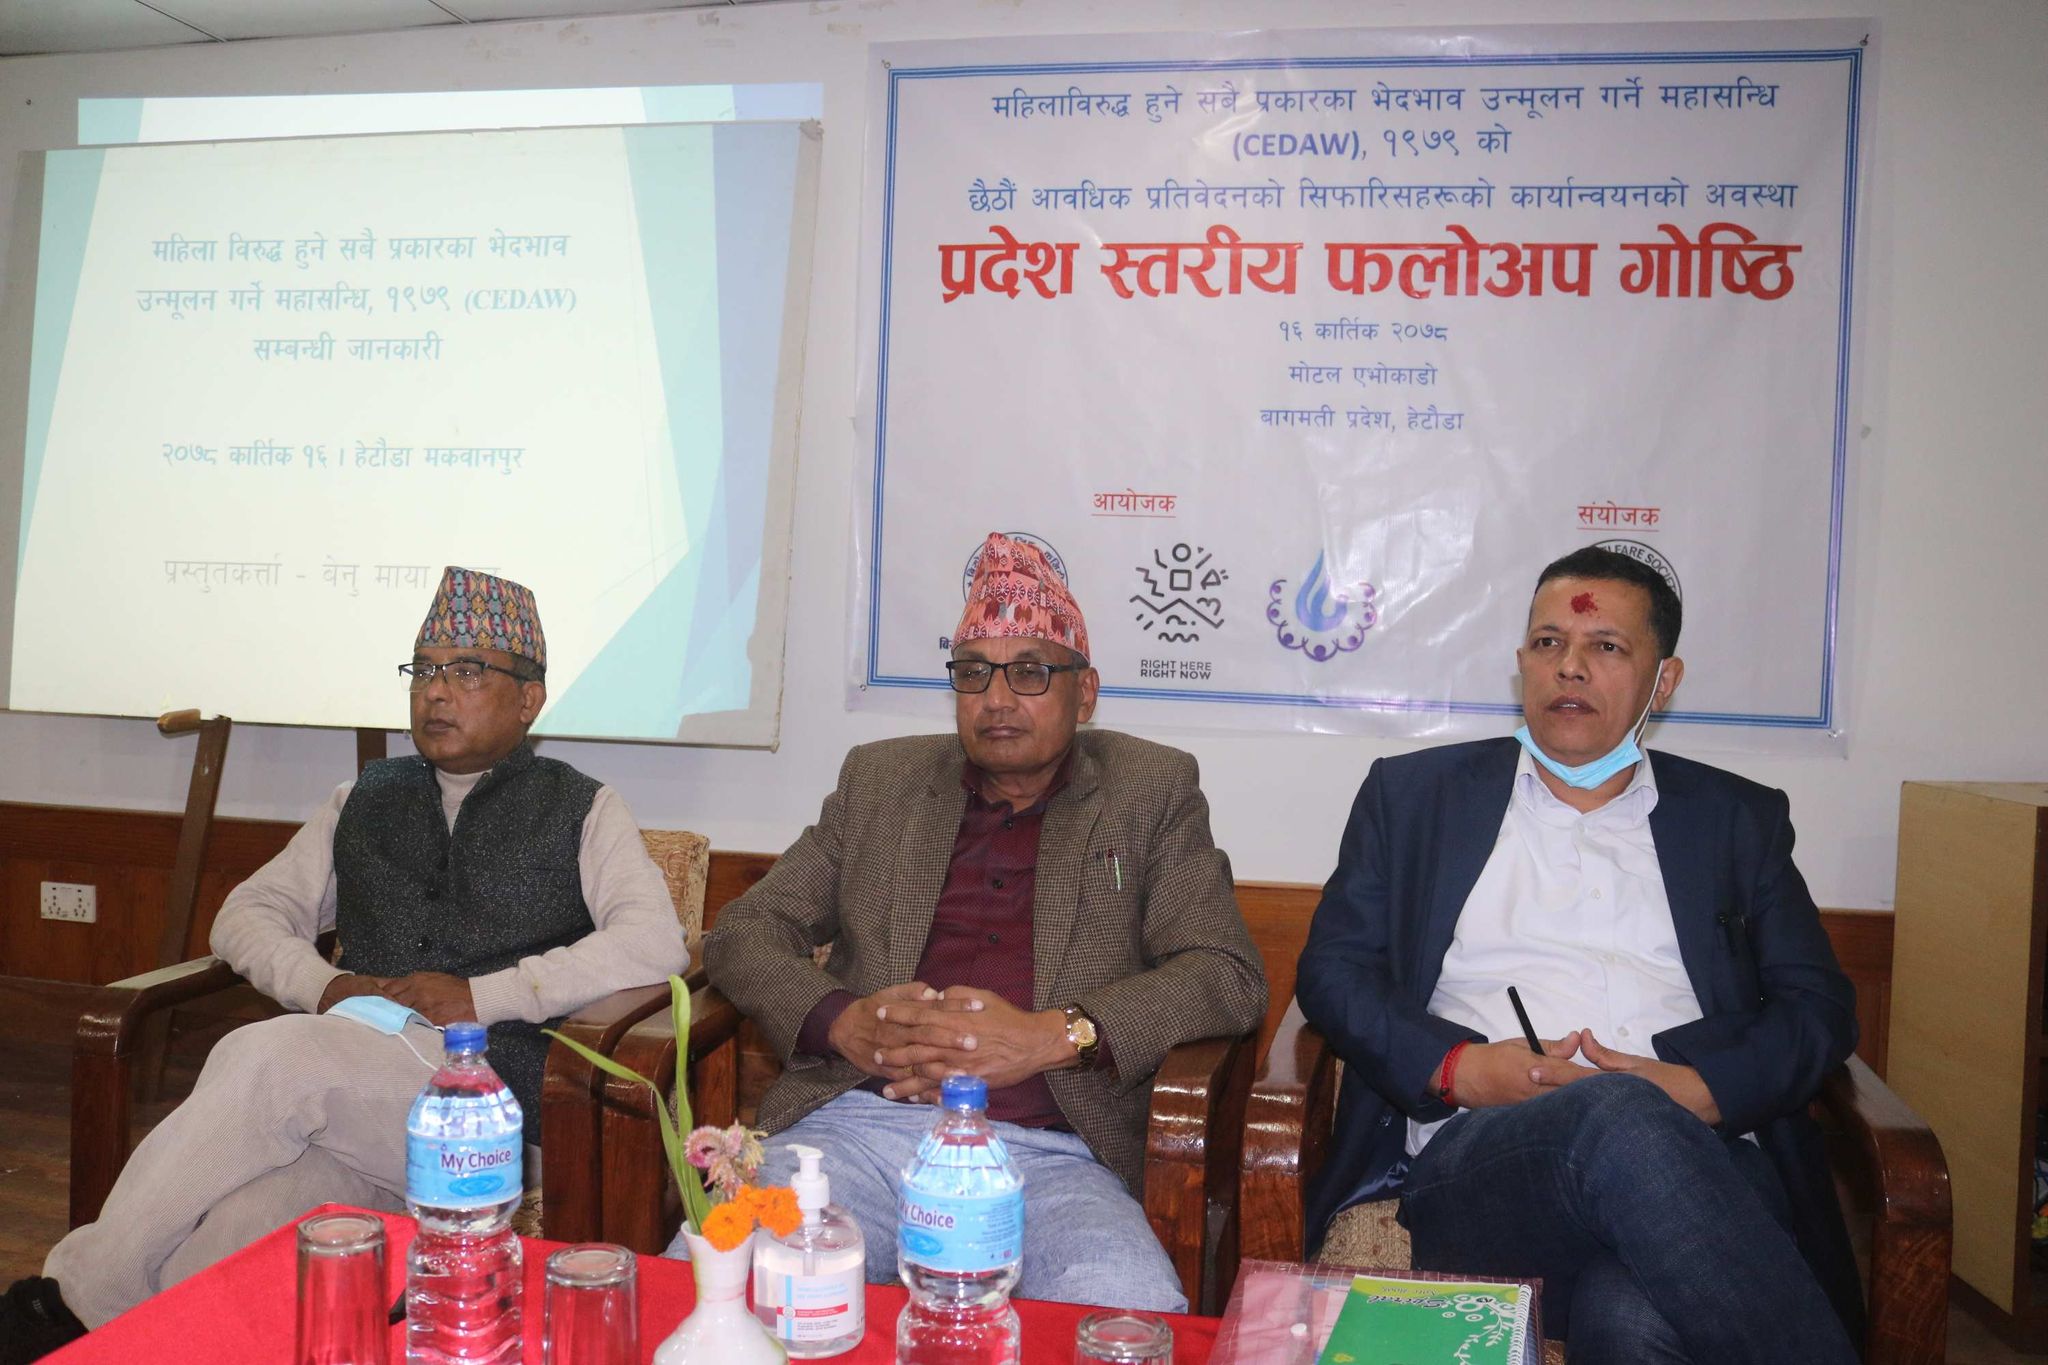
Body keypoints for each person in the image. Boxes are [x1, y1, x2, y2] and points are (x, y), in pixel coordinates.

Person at [3, 568, 688, 1360]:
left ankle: (72, 1298)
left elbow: (654, 941)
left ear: (529, 698)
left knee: (273, 1055)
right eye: (423, 670)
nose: (436, 691)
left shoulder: (583, 807)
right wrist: (324, 985)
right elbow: (247, 914)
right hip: (352, 1115)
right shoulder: (362, 798)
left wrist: (485, 994)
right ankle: (124, 1343)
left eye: (467, 672)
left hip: (492, 1112)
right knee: (245, 1225)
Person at [1297, 545, 1862, 1365]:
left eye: (1606, 646)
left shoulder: (1735, 820)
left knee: (1627, 1317)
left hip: (1702, 1164)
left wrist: (1702, 1090)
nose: (1569, 667)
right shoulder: (1416, 797)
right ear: (1522, 661)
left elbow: (1820, 1008)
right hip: (1483, 1163)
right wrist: (1456, 1068)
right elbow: (1333, 969)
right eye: (1548, 642)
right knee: (1616, 1112)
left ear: (1663, 681)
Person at [686, 532, 1265, 1311]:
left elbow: (1225, 971)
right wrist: (839, 1020)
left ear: (1084, 693)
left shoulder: (1149, 790)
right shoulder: (882, 782)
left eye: (1029, 672)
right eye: (972, 673)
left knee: (1125, 1309)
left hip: (1053, 1155)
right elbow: (744, 930)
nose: (996, 699)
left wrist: (1054, 1034)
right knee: (730, 1279)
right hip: (856, 1134)